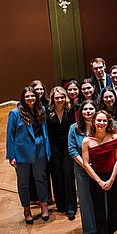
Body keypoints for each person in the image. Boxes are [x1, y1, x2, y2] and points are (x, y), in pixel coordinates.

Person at [6, 86, 51, 224]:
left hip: (40, 150)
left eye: (32, 96)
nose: (30, 99)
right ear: (23, 98)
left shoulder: (41, 109)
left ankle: (44, 206)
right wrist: (11, 156)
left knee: (41, 179)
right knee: (23, 182)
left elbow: (44, 131)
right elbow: (10, 135)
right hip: (22, 152)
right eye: (27, 96)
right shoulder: (14, 113)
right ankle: (26, 209)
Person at [81, 111, 117, 234]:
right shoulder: (87, 141)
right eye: (99, 120)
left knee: (112, 208)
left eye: (104, 120)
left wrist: (111, 179)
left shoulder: (114, 137)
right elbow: (85, 163)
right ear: (93, 122)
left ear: (108, 122)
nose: (101, 123)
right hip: (96, 177)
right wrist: (99, 181)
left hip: (112, 176)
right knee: (99, 210)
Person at [46, 85, 77, 220]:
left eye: (61, 97)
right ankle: (61, 204)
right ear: (52, 99)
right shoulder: (47, 112)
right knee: (57, 174)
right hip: (53, 146)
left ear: (65, 98)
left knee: (68, 174)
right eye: (56, 97)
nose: (59, 100)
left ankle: (71, 206)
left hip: (68, 146)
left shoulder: (71, 110)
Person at [68, 100, 98, 234]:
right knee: (85, 198)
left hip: (99, 168)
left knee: (99, 197)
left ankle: (102, 226)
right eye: (85, 109)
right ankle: (91, 228)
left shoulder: (100, 126)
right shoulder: (73, 128)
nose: (88, 112)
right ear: (81, 112)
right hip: (81, 169)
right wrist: (86, 165)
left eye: (91, 109)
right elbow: (72, 150)